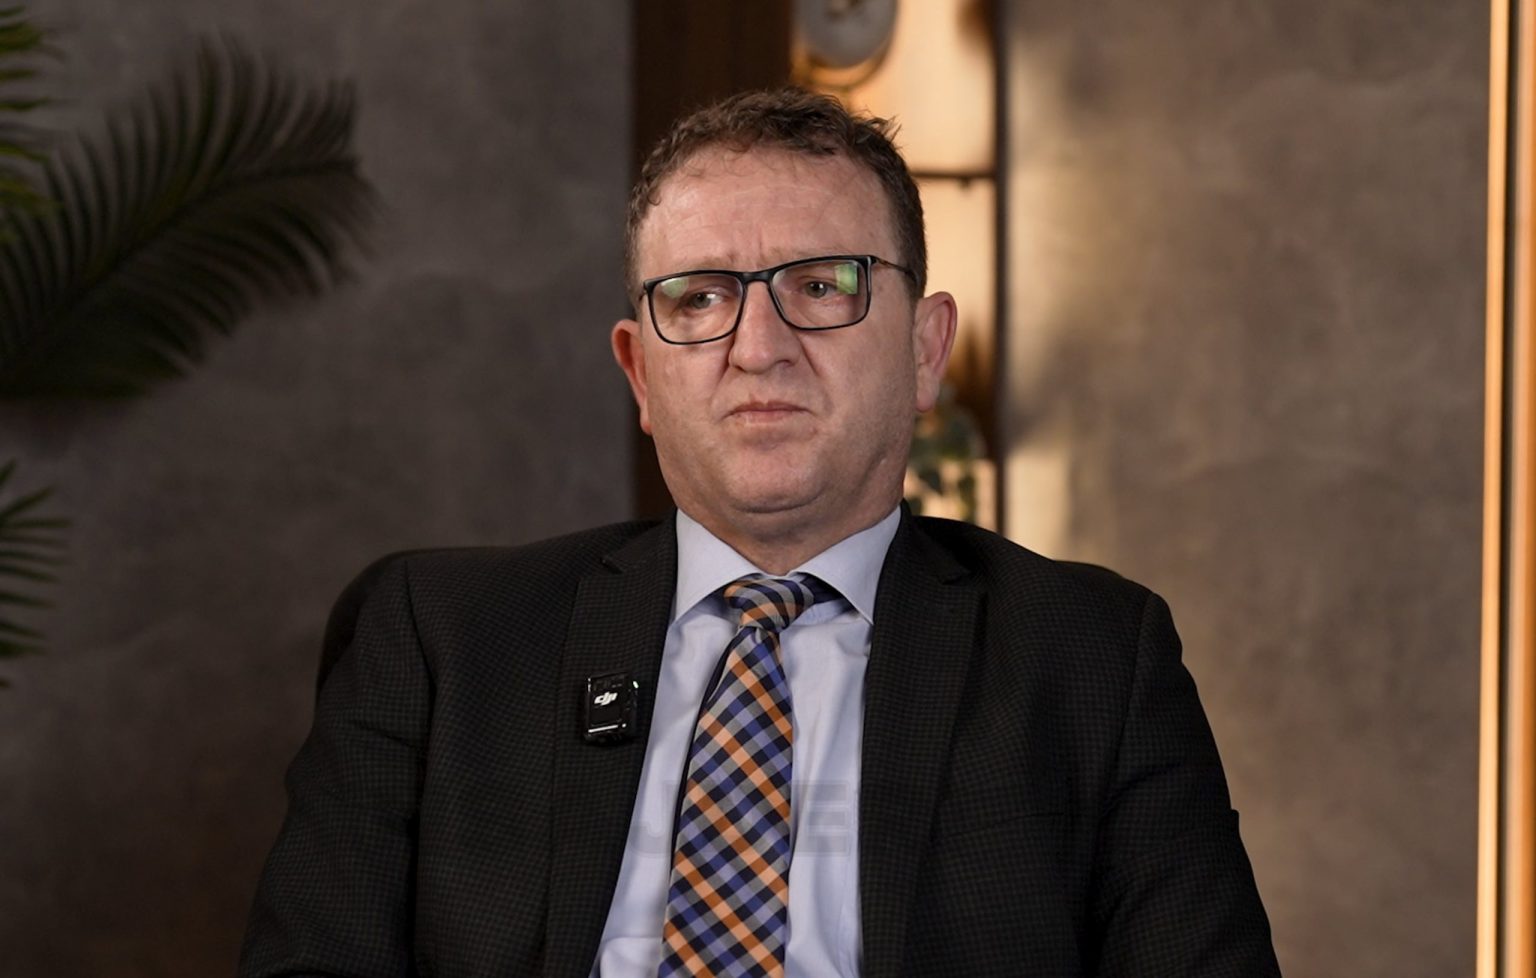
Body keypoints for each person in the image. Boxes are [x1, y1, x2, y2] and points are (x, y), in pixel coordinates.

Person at [240, 88, 1280, 978]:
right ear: (640, 373)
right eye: (699, 299)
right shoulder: (439, 639)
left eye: (821, 286)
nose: (758, 347)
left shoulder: (1093, 656)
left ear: (925, 352)